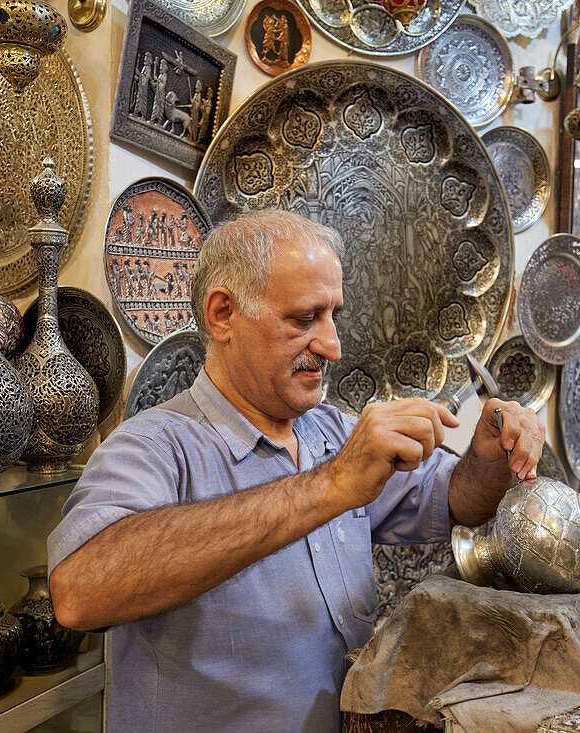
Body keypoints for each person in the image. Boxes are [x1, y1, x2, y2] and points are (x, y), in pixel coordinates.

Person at [47, 210, 546, 731]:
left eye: (334, 316)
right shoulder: (155, 445)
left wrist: (489, 457)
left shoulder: (331, 432)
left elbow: (457, 499)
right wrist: (331, 486)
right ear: (223, 315)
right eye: (304, 319)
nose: (332, 345)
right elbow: (79, 593)